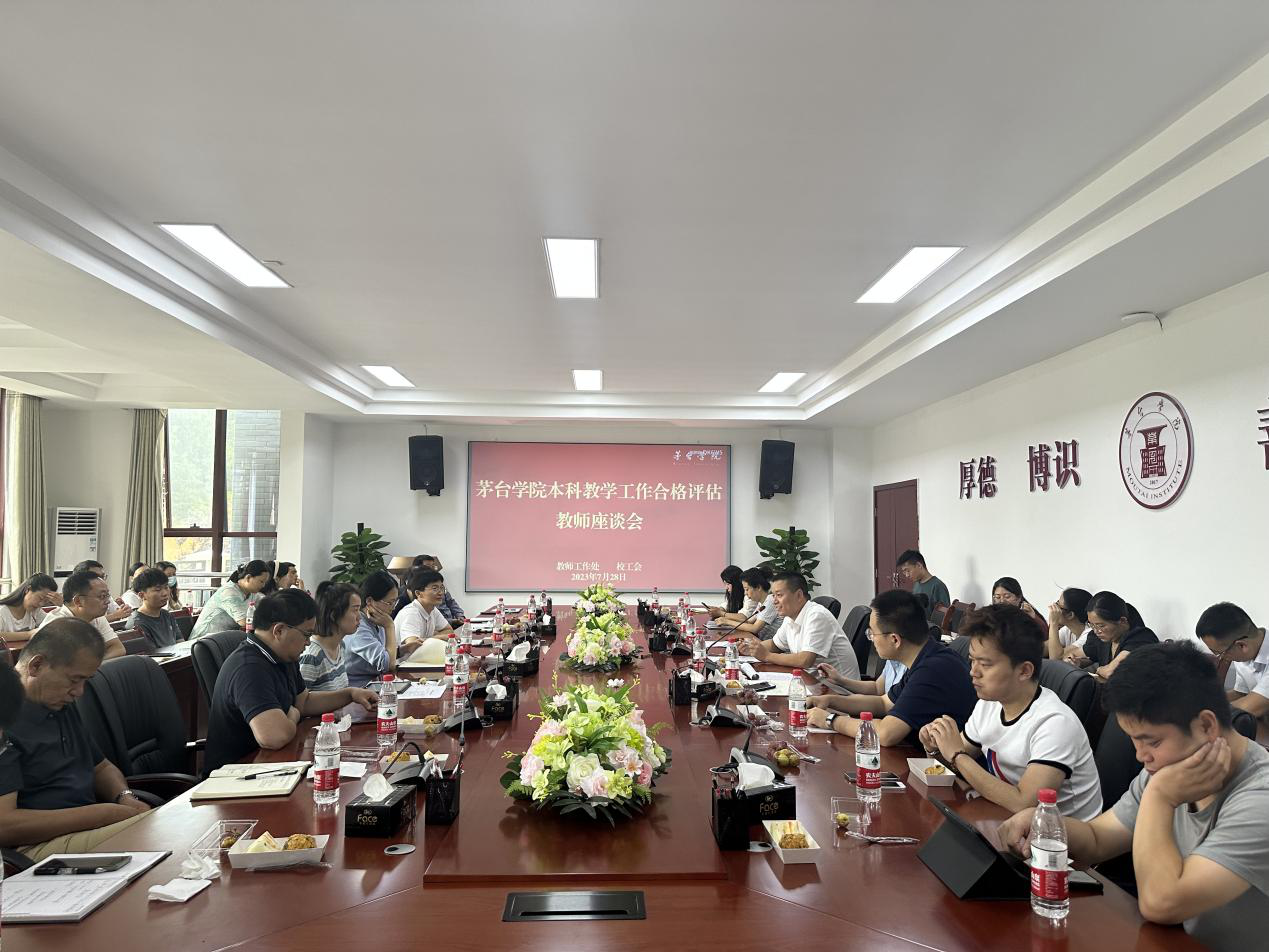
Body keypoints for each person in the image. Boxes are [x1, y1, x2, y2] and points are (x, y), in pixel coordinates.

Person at [997, 642, 1269, 949]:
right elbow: (1097, 840)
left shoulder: (1259, 798)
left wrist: (1160, 797)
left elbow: (1161, 903)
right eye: (1134, 741)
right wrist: (1042, 823)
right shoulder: (1171, 767)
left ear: (1206, 725)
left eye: (1151, 742)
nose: (1141, 756)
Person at [919, 604, 1102, 819]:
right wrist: (935, 749)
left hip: (1058, 835)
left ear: (1024, 670)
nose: (973, 672)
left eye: (985, 664)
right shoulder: (989, 703)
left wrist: (957, 755)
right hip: (1004, 820)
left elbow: (1023, 802)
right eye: (972, 660)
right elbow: (956, 764)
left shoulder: (1055, 723)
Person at [0, 620, 154, 861]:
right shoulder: (6, 718)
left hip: (85, 828)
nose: (79, 692)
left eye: (85, 681)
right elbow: (5, 825)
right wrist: (104, 815)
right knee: (152, 836)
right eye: (74, 680)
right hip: (35, 846)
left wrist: (124, 796)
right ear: (36, 665)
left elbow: (100, 767)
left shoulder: (58, 702)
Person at [204, 590, 377, 774]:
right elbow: (275, 737)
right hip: (236, 774)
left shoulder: (283, 655)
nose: (308, 643)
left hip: (269, 764)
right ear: (279, 631)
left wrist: (350, 694)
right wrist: (294, 713)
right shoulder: (249, 668)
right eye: (306, 634)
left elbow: (305, 702)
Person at [808, 589, 976, 746]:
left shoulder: (932, 670)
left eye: (872, 633)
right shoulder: (925, 656)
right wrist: (830, 700)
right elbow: (883, 703)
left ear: (895, 639)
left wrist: (830, 720)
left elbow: (886, 734)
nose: (871, 639)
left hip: (940, 763)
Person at [740, 572, 859, 678]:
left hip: (837, 689)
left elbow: (805, 660)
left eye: (779, 595)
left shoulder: (817, 615)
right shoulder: (790, 616)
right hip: (812, 681)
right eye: (773, 595)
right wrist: (750, 648)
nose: (774, 601)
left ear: (799, 595)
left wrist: (767, 656)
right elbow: (775, 644)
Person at [1196, 602, 1269, 720]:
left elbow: (1252, 707)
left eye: (1219, 653)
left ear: (1242, 646)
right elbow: (1241, 693)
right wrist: (1203, 703)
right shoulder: (1243, 651)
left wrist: (1200, 714)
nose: (1221, 658)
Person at [1068, 590, 1157, 680]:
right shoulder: (1103, 637)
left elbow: (1111, 672)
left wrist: (1099, 669)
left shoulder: (1141, 638)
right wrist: (1078, 662)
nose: (1096, 631)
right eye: (1092, 625)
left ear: (1122, 621)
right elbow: (1079, 655)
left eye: (1101, 626)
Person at [38, 570, 124, 660]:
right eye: (102, 596)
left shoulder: (96, 618)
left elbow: (118, 648)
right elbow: (60, 664)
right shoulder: (56, 625)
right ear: (78, 601)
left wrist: (93, 665)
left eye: (107, 595)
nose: (108, 601)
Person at [344, 570, 403, 687]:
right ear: (369, 601)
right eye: (390, 603)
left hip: (376, 685)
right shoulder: (358, 626)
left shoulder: (377, 619)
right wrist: (390, 627)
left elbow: (386, 653)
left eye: (395, 602)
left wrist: (403, 650)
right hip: (358, 689)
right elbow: (387, 665)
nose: (393, 608)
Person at [298, 582, 361, 692]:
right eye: (355, 610)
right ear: (334, 614)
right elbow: (300, 700)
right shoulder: (312, 656)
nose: (359, 617)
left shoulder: (340, 645)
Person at [189, 559, 274, 639]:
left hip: (223, 638)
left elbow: (266, 604)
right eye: (261, 581)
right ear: (248, 578)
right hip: (203, 641)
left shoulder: (251, 593)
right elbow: (244, 621)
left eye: (265, 582)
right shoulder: (229, 592)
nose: (263, 586)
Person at [125, 567, 183, 649]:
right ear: (142, 595)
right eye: (158, 590)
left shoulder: (167, 615)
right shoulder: (137, 623)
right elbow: (151, 654)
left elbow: (180, 643)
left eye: (166, 587)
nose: (165, 593)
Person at [0, 573, 59, 650]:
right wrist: (28, 634)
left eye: (46, 601)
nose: (41, 604)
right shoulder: (2, 611)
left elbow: (54, 625)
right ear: (27, 590)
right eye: (40, 598)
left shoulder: (35, 611)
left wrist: (61, 605)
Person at [396, 569, 455, 644]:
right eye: (435, 588)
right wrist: (439, 637)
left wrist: (431, 638)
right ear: (418, 593)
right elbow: (412, 644)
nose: (440, 593)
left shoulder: (432, 609)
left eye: (441, 588)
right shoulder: (411, 613)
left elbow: (449, 630)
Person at [896, 549, 950, 619]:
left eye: (908, 570)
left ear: (919, 565)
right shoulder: (917, 584)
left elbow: (946, 619)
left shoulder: (937, 586)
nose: (907, 575)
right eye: (904, 572)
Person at [1046, 586, 1093, 661]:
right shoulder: (1068, 630)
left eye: (1058, 605)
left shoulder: (1089, 635)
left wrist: (1053, 623)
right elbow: (1043, 649)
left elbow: (1056, 659)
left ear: (1070, 615)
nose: (1054, 608)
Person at [418, 555, 466, 623]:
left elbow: (451, 602)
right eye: (428, 566)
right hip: (439, 624)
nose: (432, 569)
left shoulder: (439, 583)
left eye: (433, 566)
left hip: (450, 622)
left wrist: (460, 615)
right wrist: (452, 621)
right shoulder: (419, 588)